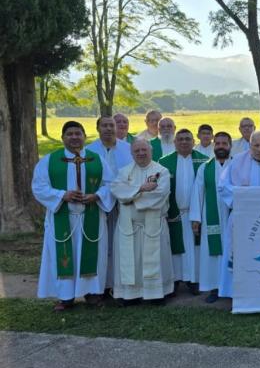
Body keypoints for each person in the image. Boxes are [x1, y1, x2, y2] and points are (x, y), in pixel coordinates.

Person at [32, 121, 115, 311]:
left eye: (78, 133)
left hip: (91, 217)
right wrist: (62, 195)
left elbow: (111, 184)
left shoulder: (97, 160)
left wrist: (96, 196)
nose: (74, 137)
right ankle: (65, 297)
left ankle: (93, 294)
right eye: (69, 134)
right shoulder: (49, 160)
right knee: (63, 257)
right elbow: (38, 186)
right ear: (62, 138)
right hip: (63, 217)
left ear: (85, 136)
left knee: (92, 255)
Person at [218, 130, 260, 298]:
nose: (259, 149)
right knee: (241, 253)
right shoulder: (236, 163)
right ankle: (236, 292)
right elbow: (223, 186)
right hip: (242, 218)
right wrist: (243, 195)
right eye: (256, 145)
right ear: (250, 145)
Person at [110, 139, 174, 302]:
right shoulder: (124, 172)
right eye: (137, 150)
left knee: (155, 259)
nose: (141, 153)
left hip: (153, 227)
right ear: (131, 153)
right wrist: (141, 188)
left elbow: (158, 196)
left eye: (144, 150)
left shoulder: (162, 171)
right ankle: (130, 294)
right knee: (131, 260)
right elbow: (117, 190)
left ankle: (155, 294)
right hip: (128, 227)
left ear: (151, 151)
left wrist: (130, 197)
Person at [85, 116, 133, 293]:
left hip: (124, 205)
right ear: (98, 128)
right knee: (101, 245)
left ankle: (119, 285)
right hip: (97, 204)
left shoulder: (128, 150)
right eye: (104, 125)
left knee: (120, 245)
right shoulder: (88, 151)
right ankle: (100, 285)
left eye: (111, 125)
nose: (108, 129)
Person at [158, 129, 209, 295]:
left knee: (195, 249)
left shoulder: (204, 161)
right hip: (175, 213)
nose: (184, 142)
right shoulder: (164, 162)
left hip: (196, 213)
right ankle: (175, 280)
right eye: (180, 139)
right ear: (175, 142)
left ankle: (194, 280)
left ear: (194, 142)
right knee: (175, 248)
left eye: (188, 139)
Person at [189, 132, 233, 303]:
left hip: (232, 219)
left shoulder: (237, 165)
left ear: (230, 146)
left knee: (232, 251)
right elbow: (197, 193)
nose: (221, 147)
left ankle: (233, 287)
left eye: (224, 143)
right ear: (214, 146)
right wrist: (196, 218)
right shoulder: (205, 167)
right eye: (218, 143)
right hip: (211, 218)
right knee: (213, 254)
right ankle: (215, 288)